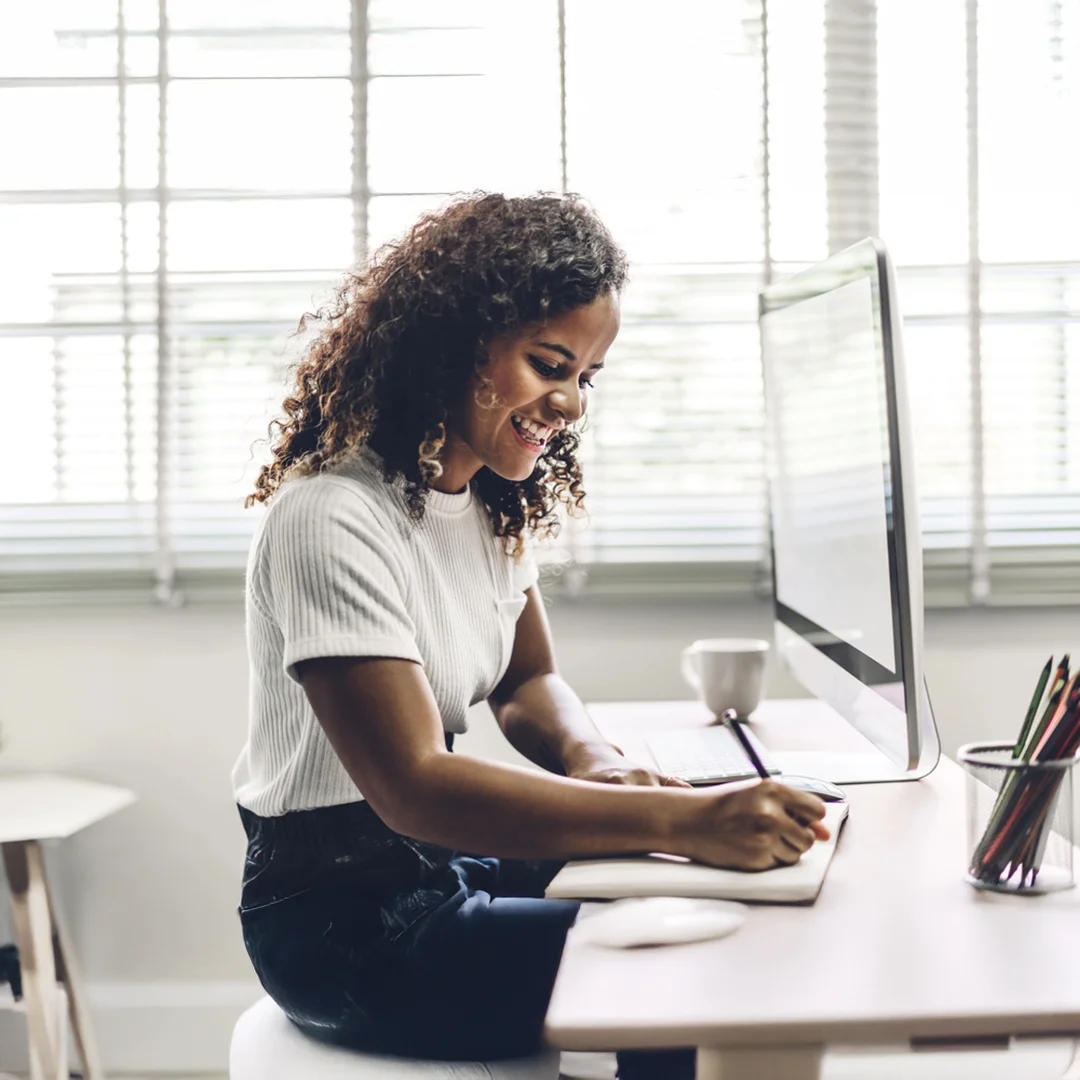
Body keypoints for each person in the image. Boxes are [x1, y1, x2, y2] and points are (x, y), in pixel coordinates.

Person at [233, 191, 829, 1080]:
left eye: (587, 376)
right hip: (342, 923)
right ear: (450, 343)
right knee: (687, 962)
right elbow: (414, 788)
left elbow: (526, 682)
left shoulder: (484, 507)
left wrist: (595, 760)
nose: (573, 405)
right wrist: (684, 817)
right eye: (550, 364)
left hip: (435, 869)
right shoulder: (331, 516)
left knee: (692, 898)